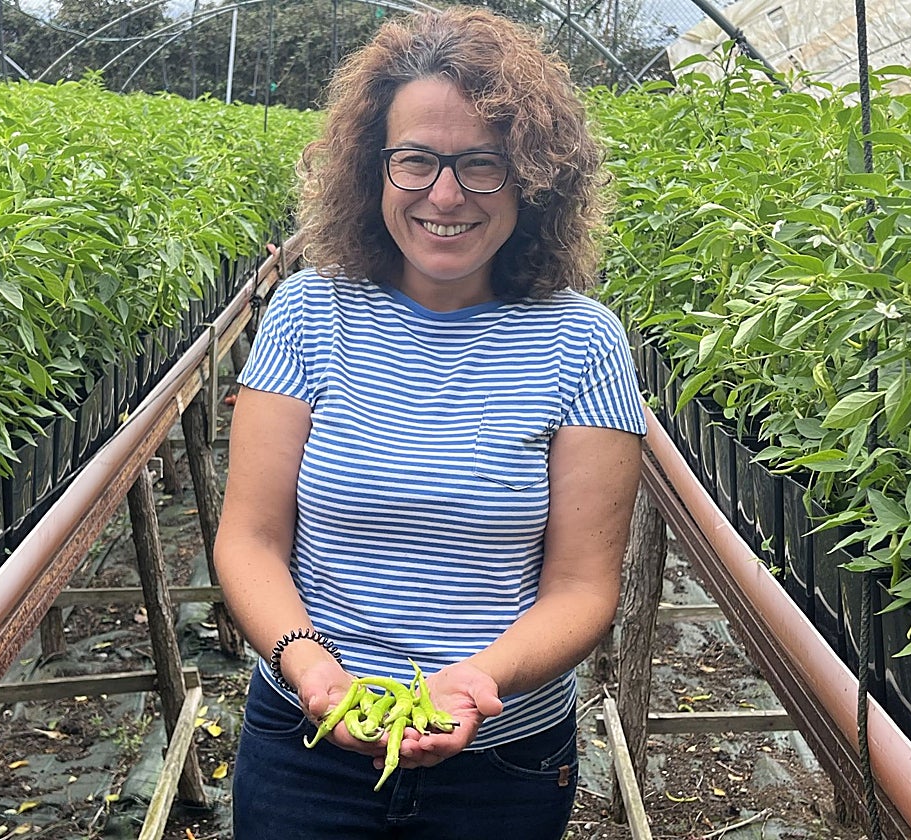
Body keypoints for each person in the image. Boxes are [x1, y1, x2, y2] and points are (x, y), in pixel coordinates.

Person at [212, 7, 645, 838]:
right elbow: (250, 539)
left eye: (481, 165)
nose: (444, 194)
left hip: (503, 767)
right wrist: (313, 672)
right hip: (304, 751)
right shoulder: (309, 312)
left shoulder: (582, 341)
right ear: (373, 169)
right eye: (415, 161)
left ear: (532, 175)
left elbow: (583, 588)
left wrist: (477, 682)